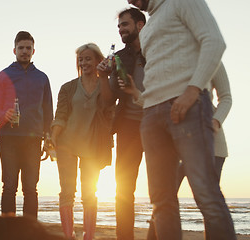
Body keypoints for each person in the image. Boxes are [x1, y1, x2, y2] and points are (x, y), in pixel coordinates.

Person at [126, 0, 236, 239]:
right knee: (161, 201)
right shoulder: (150, 26)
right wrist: (138, 95)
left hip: (189, 109)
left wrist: (193, 90)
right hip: (152, 115)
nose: (129, 1)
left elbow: (215, 41)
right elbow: (161, 75)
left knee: (205, 192)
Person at [144, 63, 233, 240]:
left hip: (211, 143)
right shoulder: (172, 55)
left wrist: (213, 123)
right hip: (174, 140)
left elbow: (226, 98)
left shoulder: (210, 56)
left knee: (208, 202)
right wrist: (135, 94)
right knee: (163, 199)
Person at [51, 43, 114, 240]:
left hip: (93, 146)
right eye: (81, 59)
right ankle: (69, 235)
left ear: (98, 60)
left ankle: (88, 236)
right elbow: (60, 115)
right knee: (67, 191)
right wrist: (53, 136)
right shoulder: (68, 87)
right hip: (67, 144)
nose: (84, 62)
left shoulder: (106, 85)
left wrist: (104, 78)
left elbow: (108, 107)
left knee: (89, 193)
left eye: (88, 59)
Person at [0, 31, 53, 219]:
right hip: (7, 138)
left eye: (28, 48)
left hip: (33, 139)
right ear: (14, 50)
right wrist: (3, 114)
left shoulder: (42, 78)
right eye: (21, 48)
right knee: (9, 187)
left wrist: (49, 139)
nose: (25, 51)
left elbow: (48, 111)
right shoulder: (2, 76)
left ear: (34, 51)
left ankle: (29, 232)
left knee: (31, 188)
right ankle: (8, 232)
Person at [96, 8, 146, 240]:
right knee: (124, 190)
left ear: (140, 25)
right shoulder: (120, 58)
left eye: (125, 25)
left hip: (157, 123)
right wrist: (103, 77)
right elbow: (109, 98)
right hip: (127, 127)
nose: (121, 30)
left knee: (163, 188)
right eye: (119, 26)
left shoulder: (157, 51)